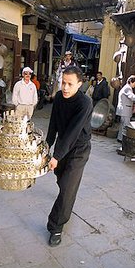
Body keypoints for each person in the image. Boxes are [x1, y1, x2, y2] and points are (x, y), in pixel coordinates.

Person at [45, 65, 92, 247]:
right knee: (61, 180)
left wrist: (56, 156)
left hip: (78, 149)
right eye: (63, 83)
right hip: (63, 146)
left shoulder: (84, 103)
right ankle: (66, 198)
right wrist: (46, 146)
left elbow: (73, 132)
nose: (65, 88)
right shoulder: (58, 97)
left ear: (79, 84)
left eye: (69, 84)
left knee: (66, 188)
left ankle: (56, 227)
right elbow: (54, 123)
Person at [116, 75, 135, 149]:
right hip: (125, 109)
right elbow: (131, 96)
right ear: (131, 82)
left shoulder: (127, 88)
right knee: (126, 125)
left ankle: (120, 139)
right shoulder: (127, 88)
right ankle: (123, 140)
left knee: (123, 125)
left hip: (124, 109)